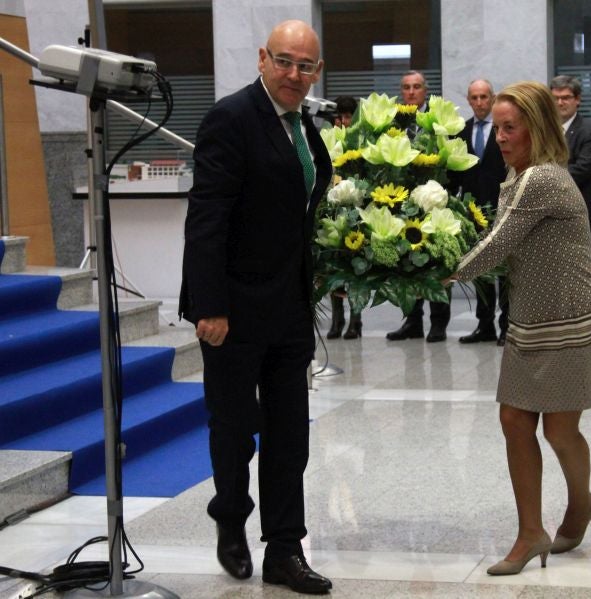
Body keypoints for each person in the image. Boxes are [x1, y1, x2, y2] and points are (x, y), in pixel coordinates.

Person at [179, 20, 333, 594]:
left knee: (291, 432)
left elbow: (299, 207)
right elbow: (207, 218)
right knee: (237, 428)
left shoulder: (302, 124)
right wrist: (210, 305)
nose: (296, 75)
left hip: (289, 306)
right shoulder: (231, 117)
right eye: (287, 62)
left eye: (307, 66)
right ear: (264, 59)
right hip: (234, 308)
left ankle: (286, 549)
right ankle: (230, 518)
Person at [451, 81, 591, 576]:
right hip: (529, 320)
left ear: (538, 128)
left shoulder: (543, 178)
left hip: (568, 320)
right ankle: (531, 532)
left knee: (561, 429)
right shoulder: (517, 176)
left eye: (511, 128)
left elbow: (495, 247)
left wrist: (436, 268)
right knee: (514, 421)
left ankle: (580, 503)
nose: (500, 137)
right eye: (498, 128)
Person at [386, 71, 451, 342]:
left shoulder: (437, 119)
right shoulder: (394, 122)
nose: (411, 92)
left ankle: (438, 323)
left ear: (425, 91)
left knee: (435, 260)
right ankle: (412, 321)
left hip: (434, 199)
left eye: (416, 87)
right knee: (406, 261)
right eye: (406, 88)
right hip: (403, 200)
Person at [450, 79, 509, 345]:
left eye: (484, 96)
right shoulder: (461, 132)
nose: (479, 102)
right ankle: (485, 325)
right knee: (481, 270)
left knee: (506, 271)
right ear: (468, 100)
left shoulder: (504, 130)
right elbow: (455, 174)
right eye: (474, 97)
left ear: (493, 98)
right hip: (473, 211)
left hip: (503, 206)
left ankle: (508, 325)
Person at [326, 96, 364, 340]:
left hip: (356, 207)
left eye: (349, 116)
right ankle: (336, 319)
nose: (344, 121)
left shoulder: (360, 140)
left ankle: (356, 320)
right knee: (332, 263)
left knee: (356, 265)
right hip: (332, 205)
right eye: (340, 116)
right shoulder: (328, 139)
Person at [550, 75, 591, 233]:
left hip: (578, 213)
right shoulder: (544, 131)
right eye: (555, 98)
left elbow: (583, 170)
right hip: (547, 215)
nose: (560, 103)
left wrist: (543, 180)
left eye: (566, 97)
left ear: (578, 99)